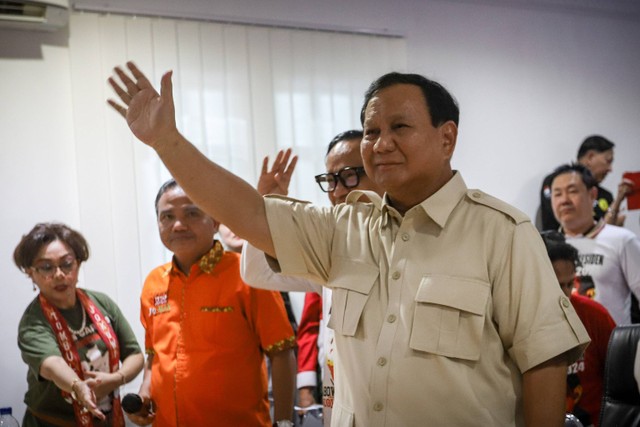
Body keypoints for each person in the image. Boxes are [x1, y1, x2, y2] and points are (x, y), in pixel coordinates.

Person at [108, 62, 590, 426]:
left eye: (399, 127)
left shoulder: (501, 232)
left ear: (447, 138)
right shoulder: (345, 229)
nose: (380, 143)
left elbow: (543, 363)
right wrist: (166, 141)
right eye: (372, 131)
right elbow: (250, 213)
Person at [242, 130, 384, 425]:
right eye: (331, 180)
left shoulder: (410, 244)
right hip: (341, 410)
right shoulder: (330, 249)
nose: (339, 191)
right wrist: (266, 207)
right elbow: (257, 272)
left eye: (350, 175)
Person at [128, 178, 296, 427]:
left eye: (191, 213)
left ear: (215, 221)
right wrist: (144, 393)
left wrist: (284, 423)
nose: (178, 225)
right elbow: (154, 356)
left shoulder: (248, 274)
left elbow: (281, 352)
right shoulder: (154, 282)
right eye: (167, 217)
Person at [14, 222, 144, 427]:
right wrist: (78, 387)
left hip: (107, 418)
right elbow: (52, 365)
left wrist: (118, 378)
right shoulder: (33, 322)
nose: (58, 274)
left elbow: (135, 354)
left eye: (66, 264)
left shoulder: (102, 303)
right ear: (31, 273)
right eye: (47, 267)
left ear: (78, 264)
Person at [541, 231, 616, 427]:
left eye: (569, 284)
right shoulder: (524, 321)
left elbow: (619, 377)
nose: (565, 293)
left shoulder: (595, 316)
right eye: (557, 285)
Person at [550, 163, 640, 325]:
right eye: (557, 194)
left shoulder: (621, 239)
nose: (564, 200)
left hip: (612, 346)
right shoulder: (544, 247)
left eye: (572, 191)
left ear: (592, 195)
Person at [540, 135, 631, 230]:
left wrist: (616, 213)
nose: (610, 169)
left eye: (572, 191)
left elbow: (603, 232)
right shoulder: (554, 181)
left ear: (592, 194)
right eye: (608, 161)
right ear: (590, 157)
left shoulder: (605, 195)